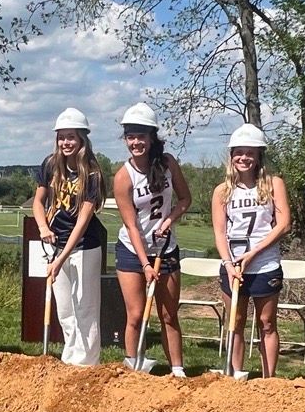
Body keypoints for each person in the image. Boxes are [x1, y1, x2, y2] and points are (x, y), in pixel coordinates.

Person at [113, 102, 191, 376]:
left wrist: (169, 220)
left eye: (141, 136)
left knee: (169, 314)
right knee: (135, 314)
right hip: (133, 252)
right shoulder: (123, 177)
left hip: (166, 248)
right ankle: (132, 368)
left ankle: (178, 370)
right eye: (130, 136)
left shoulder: (168, 163)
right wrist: (145, 264)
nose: (136, 142)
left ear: (152, 137)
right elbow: (131, 225)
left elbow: (185, 199)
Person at [212, 123, 291, 378]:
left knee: (266, 323)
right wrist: (227, 263)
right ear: (231, 155)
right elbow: (220, 232)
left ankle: (269, 379)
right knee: (235, 323)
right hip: (233, 266)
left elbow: (283, 224)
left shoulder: (273, 184)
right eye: (239, 152)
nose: (244, 158)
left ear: (258, 156)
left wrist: (254, 252)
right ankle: (238, 375)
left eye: (250, 152)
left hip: (265, 263)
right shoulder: (222, 191)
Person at [31, 108, 107, 366]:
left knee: (85, 307)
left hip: (84, 246)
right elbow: (38, 202)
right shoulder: (50, 165)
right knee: (64, 309)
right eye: (62, 137)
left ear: (82, 139)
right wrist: (43, 228)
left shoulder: (93, 174)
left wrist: (62, 258)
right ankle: (70, 358)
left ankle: (87, 363)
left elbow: (83, 222)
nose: (66, 142)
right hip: (56, 244)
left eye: (71, 137)